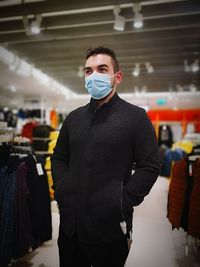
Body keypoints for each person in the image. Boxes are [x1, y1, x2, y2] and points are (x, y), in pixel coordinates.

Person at [51, 46, 160, 267]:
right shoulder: (74, 118)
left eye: (102, 69)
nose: (94, 76)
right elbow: (59, 157)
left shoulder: (136, 117)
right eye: (88, 71)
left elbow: (150, 165)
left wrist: (123, 199)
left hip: (110, 228)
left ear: (116, 76)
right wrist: (63, 187)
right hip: (71, 226)